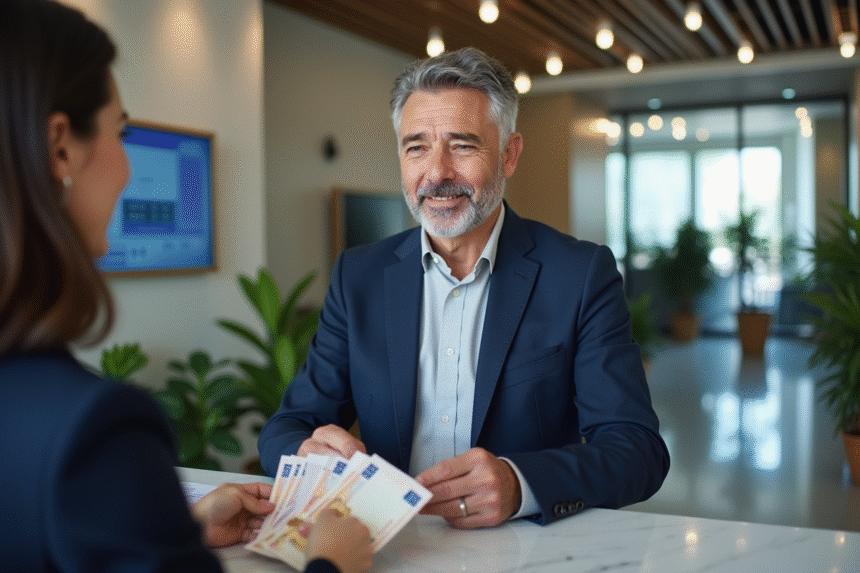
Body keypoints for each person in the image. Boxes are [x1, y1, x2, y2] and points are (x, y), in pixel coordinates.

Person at [0, 1, 372, 572]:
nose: (126, 166)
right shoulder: (92, 432)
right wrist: (331, 562)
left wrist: (177, 529)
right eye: (120, 134)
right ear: (59, 148)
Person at [259, 47, 670, 529]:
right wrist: (305, 452)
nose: (436, 174)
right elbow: (285, 428)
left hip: (521, 552)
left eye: (462, 145)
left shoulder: (579, 274)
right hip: (389, 550)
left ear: (509, 154)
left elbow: (637, 450)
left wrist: (521, 483)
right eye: (416, 147)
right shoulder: (359, 276)